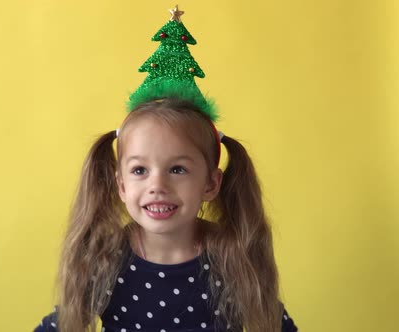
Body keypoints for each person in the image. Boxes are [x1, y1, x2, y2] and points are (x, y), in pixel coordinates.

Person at [35, 6, 298, 332]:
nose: (156, 184)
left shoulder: (232, 258)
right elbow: (64, 323)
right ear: (121, 185)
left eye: (177, 169)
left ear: (211, 183)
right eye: (139, 171)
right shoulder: (107, 258)